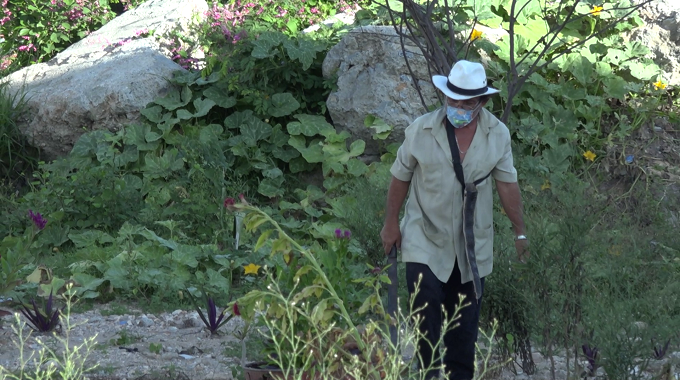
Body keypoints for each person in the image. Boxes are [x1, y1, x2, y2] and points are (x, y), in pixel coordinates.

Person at [380, 60, 529, 380]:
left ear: (482, 102)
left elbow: (507, 184)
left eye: (467, 103)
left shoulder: (497, 135)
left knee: (463, 329)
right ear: (445, 96)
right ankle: (429, 374)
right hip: (424, 235)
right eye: (453, 100)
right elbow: (399, 177)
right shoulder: (421, 130)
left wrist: (520, 232)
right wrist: (391, 223)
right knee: (426, 312)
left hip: (471, 243)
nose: (458, 107)